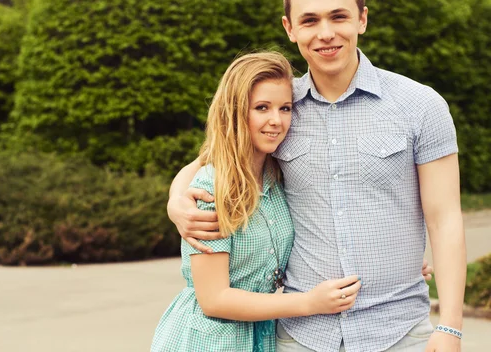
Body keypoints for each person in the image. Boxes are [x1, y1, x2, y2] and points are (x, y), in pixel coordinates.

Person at [167, 0, 466, 351]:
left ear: (361, 19)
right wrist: (175, 200)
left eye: (338, 17)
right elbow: (216, 155)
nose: (325, 33)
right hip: (301, 336)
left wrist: (450, 327)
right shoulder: (279, 108)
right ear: (290, 29)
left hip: (399, 332)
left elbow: (445, 220)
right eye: (310, 20)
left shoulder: (420, 106)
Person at [151, 52, 363, 352]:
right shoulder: (213, 186)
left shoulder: (277, 174)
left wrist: (376, 263)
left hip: (261, 335)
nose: (276, 121)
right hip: (207, 341)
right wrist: (309, 303)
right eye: (261, 108)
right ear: (236, 112)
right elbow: (214, 300)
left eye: (285, 108)